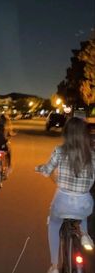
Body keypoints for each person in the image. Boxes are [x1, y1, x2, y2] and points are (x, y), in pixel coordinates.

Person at [35, 117, 95, 273]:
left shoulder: (59, 151)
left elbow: (47, 170)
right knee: (81, 212)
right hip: (85, 203)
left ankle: (55, 266)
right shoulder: (92, 154)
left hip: (63, 202)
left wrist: (40, 168)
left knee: (54, 225)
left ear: (66, 133)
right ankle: (85, 234)